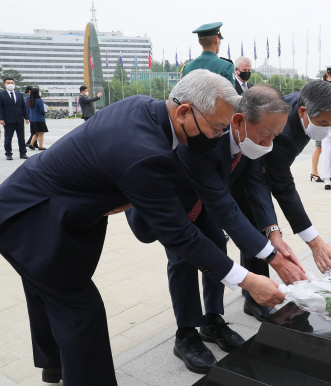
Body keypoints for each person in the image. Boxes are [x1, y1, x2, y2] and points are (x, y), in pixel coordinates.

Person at [0, 69, 285, 386]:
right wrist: (246, 279)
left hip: (34, 204)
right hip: (32, 220)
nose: (219, 136)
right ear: (184, 111)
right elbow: (179, 234)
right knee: (81, 313)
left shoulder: (143, 107)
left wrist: (123, 191)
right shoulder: (145, 153)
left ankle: (55, 366)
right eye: (217, 128)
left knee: (44, 290)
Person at [126, 85, 305, 373]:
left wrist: (272, 232)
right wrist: (272, 257)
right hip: (173, 203)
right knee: (184, 257)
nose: (269, 143)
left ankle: (212, 320)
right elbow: (225, 208)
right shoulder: (207, 137)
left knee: (217, 250)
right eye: (266, 134)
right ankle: (185, 333)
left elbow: (256, 184)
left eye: (276, 135)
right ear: (238, 122)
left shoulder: (249, 141)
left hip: (204, 202)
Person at [231, 80, 331, 317]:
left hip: (255, 169)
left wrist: (275, 232)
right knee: (255, 225)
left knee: (263, 230)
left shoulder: (302, 103)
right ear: (303, 112)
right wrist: (310, 240)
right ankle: (255, 297)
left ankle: (256, 289)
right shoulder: (283, 133)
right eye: (323, 123)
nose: (327, 130)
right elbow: (280, 184)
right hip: (237, 172)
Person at [0, 77, 29, 160]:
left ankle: (23, 153)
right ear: (4, 84)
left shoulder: (19, 94)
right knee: (8, 138)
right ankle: (8, 153)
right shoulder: (1, 95)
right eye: (8, 83)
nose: (10, 84)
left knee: (21, 138)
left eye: (12, 83)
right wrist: (1, 118)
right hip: (8, 120)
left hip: (19, 119)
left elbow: (24, 107)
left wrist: (26, 117)